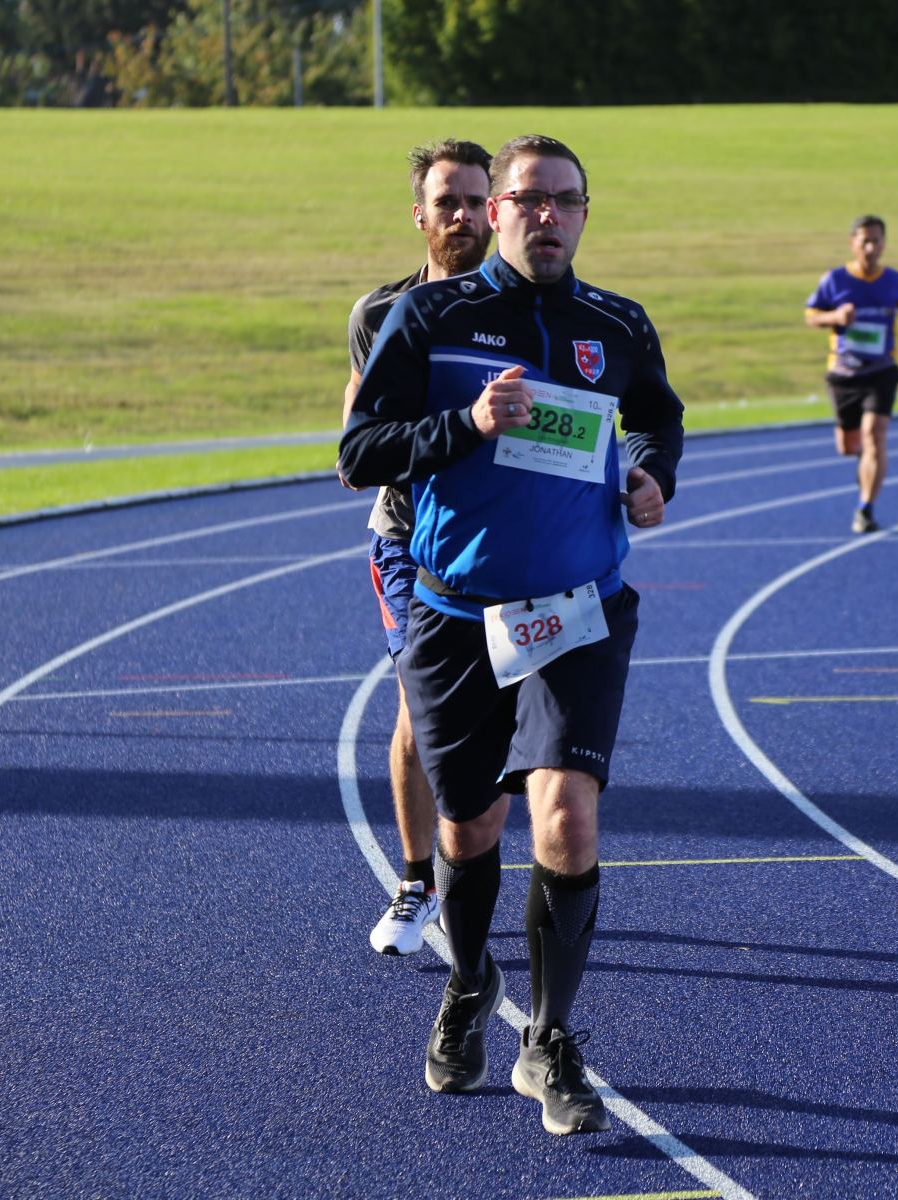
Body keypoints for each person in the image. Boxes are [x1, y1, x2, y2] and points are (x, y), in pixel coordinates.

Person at [338, 134, 684, 1135]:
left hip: (579, 610)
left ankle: (552, 1038)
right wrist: (467, 426)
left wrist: (652, 471)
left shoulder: (616, 323)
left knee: (566, 815)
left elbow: (655, 417)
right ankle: (469, 983)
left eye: (565, 201)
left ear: (584, 214)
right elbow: (360, 453)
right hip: (457, 613)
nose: (547, 216)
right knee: (470, 830)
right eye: (529, 199)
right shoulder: (430, 317)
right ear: (497, 213)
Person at [341, 139, 496, 957]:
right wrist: (458, 431)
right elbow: (356, 447)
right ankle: (414, 879)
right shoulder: (380, 315)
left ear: (495, 210)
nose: (461, 216)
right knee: (419, 705)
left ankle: (486, 867)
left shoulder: (529, 309)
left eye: (474, 201)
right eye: (447, 203)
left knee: (513, 720)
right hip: (411, 540)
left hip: (508, 541)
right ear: (420, 215)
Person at [804, 215, 898, 533]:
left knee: (875, 435)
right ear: (852, 243)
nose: (871, 248)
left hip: (881, 371)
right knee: (848, 446)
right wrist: (836, 316)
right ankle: (865, 460)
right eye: (865, 241)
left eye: (876, 241)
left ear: (884, 244)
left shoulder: (895, 281)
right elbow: (811, 316)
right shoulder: (836, 280)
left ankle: (865, 508)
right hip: (843, 373)